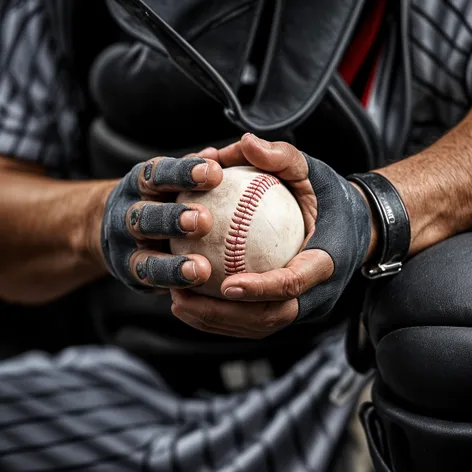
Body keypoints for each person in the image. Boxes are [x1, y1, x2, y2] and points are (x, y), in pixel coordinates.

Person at [0, 0, 471, 471]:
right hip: (133, 388)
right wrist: (95, 219)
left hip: (345, 382)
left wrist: (373, 209)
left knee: (447, 325)